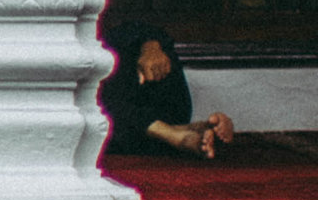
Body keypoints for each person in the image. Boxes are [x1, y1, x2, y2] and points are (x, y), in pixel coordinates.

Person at [99, 10, 236, 162]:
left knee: (151, 50)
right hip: (118, 124)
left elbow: (141, 29)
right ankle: (181, 134)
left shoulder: (105, 36)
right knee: (90, 106)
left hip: (166, 107)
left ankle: (175, 132)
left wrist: (150, 47)